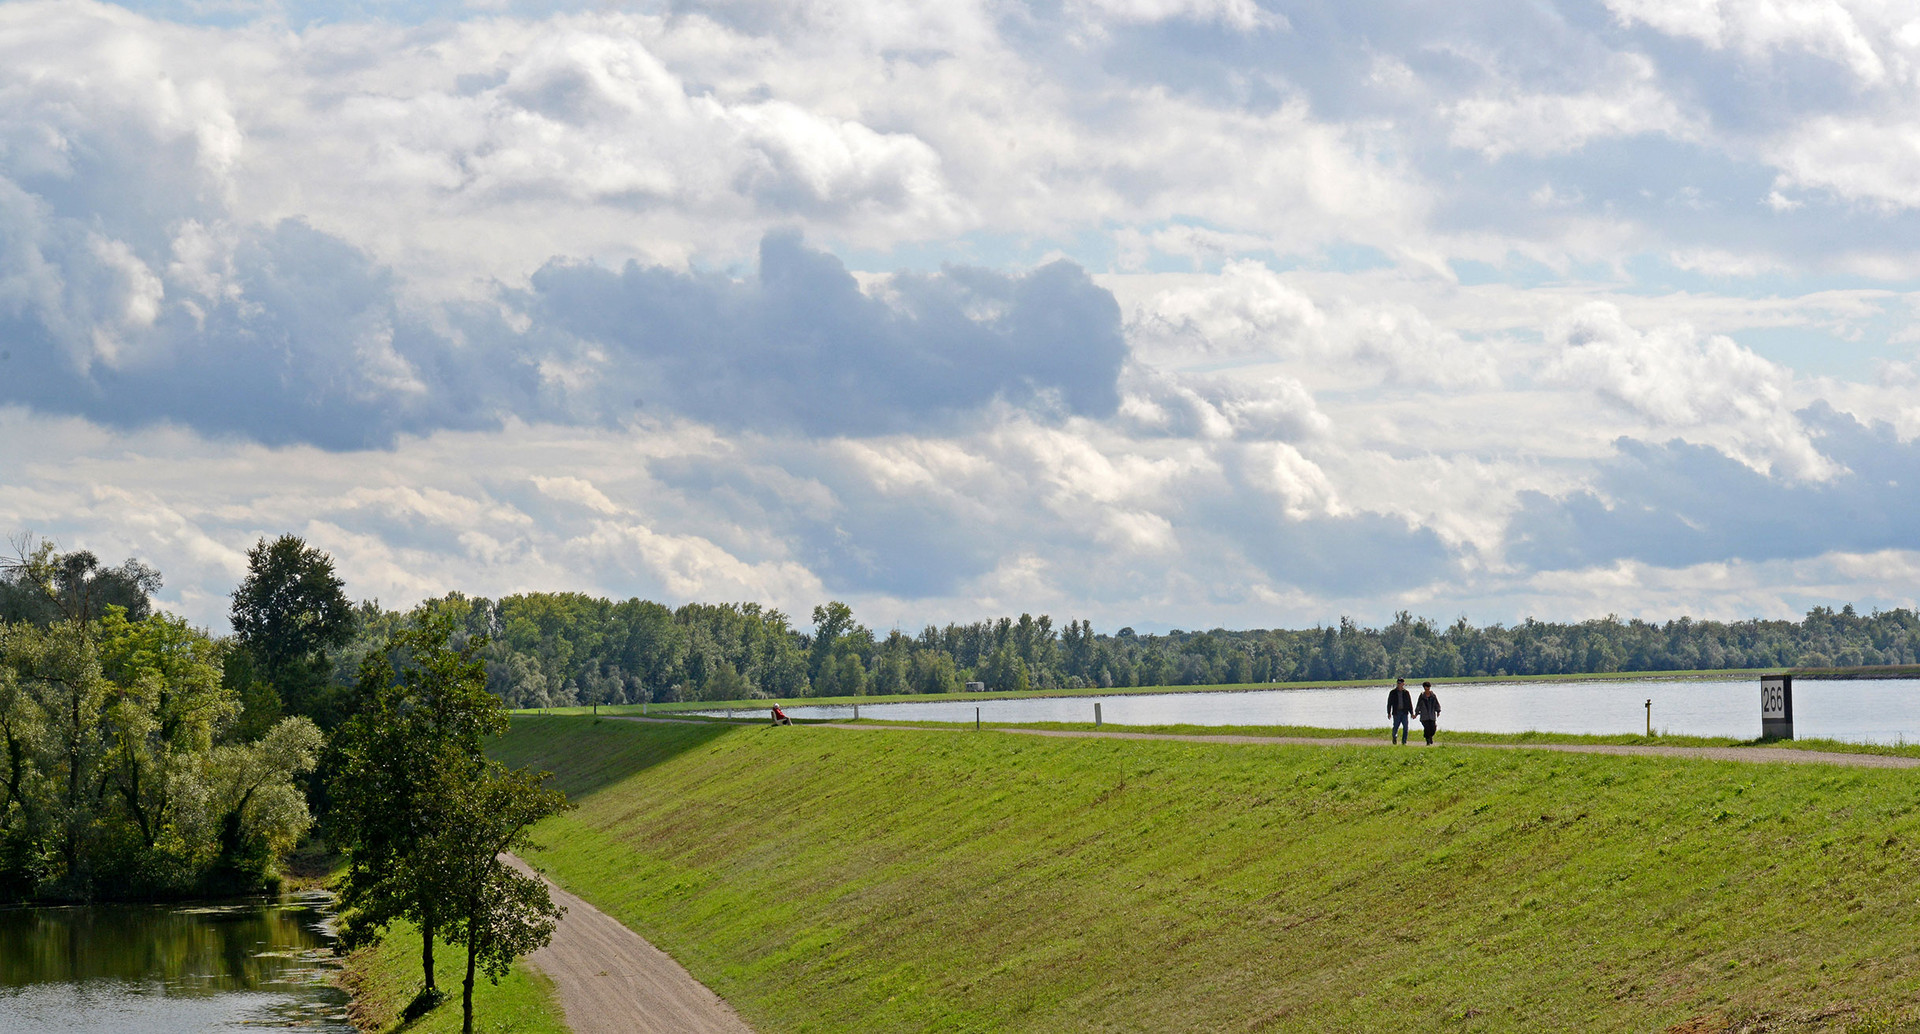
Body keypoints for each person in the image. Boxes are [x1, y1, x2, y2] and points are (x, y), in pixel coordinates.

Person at [1386, 678, 1413, 745]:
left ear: (1403, 684)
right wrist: (1389, 712)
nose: (1399, 684)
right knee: (1395, 726)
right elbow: (1389, 703)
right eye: (1398, 683)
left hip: (1404, 712)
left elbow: (1409, 703)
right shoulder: (1393, 692)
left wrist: (1412, 713)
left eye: (1400, 683)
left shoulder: (1406, 693)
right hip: (1396, 712)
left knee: (1405, 727)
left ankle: (1404, 742)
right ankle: (1394, 737)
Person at [1414, 681, 1441, 745]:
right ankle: (1428, 740)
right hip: (1424, 716)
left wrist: (1438, 711)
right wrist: (1416, 713)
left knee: (1433, 728)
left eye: (1428, 688)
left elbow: (1437, 704)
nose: (1427, 690)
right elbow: (1418, 705)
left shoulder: (1433, 696)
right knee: (1427, 728)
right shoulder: (1422, 696)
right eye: (1426, 689)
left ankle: (1430, 736)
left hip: (1431, 715)